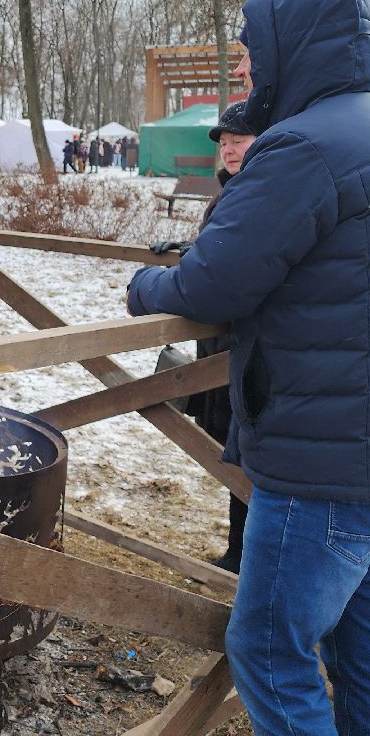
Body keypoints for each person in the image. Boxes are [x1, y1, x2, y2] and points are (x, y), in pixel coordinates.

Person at [127, 0, 370, 735]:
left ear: (292, 47)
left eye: (250, 49)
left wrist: (146, 286)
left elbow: (213, 283)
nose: (243, 66)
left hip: (324, 460)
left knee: (269, 650)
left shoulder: (305, 146)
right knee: (364, 651)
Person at [151, 100, 257, 574]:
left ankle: (243, 557)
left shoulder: (261, 192)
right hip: (219, 343)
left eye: (240, 140)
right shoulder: (229, 192)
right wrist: (191, 249)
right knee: (230, 447)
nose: (229, 150)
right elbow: (226, 251)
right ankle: (239, 552)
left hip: (244, 346)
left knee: (244, 450)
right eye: (225, 143)